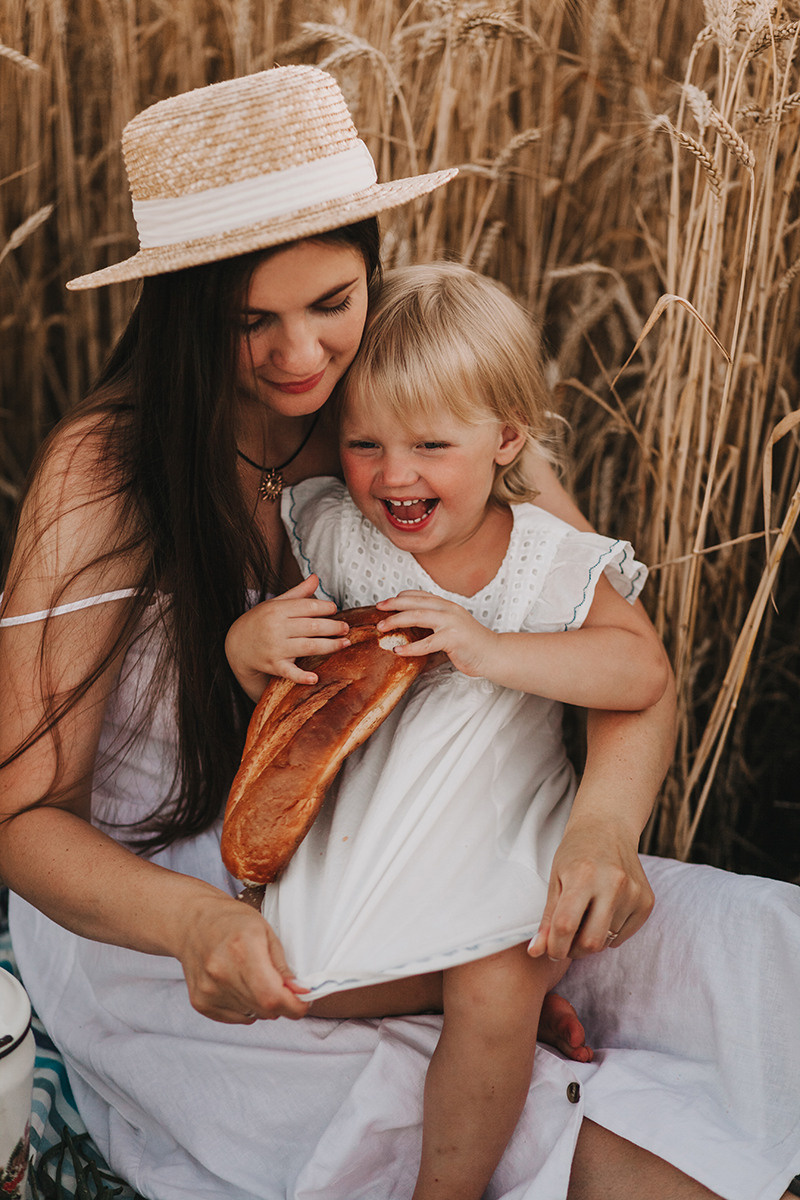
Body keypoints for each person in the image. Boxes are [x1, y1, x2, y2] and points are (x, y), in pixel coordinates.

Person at [0, 65, 798, 1200]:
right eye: (249, 322)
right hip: (168, 916)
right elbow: (22, 820)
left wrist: (602, 833)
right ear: (183, 315)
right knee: (554, 1132)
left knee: (743, 955)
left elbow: (615, 650)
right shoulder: (104, 472)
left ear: (371, 269)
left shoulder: (394, 405)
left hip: (417, 843)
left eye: (332, 301)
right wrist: (189, 927)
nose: (300, 359)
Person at [223, 260, 668, 1200]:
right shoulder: (341, 534)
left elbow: (640, 672)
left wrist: (491, 647)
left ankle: (447, 1187)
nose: (395, 474)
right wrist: (247, 643)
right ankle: (437, 980)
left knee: (495, 983)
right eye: (364, 442)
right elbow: (283, 674)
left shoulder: (542, 558)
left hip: (500, 839)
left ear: (508, 438)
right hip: (373, 834)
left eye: (431, 443)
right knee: (293, 977)